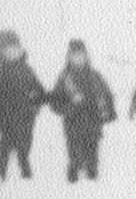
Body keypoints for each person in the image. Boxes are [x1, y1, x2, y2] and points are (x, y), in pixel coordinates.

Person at [46, 38, 117, 183]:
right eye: (74, 55)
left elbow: (107, 95)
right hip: (73, 125)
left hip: (93, 124)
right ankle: (72, 189)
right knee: (75, 158)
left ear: (86, 56)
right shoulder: (64, 78)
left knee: (92, 158)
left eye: (81, 55)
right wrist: (68, 108)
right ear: (69, 57)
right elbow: (54, 102)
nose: (78, 58)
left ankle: (93, 184)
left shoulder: (95, 76)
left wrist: (110, 112)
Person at [0, 29, 45, 180]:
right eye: (8, 50)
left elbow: (40, 91)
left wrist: (35, 105)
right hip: (5, 119)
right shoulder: (1, 72)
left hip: (25, 118)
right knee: (4, 147)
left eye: (15, 49)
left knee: (24, 146)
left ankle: (25, 169)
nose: (12, 53)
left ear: (19, 49)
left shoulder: (27, 70)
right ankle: (2, 172)